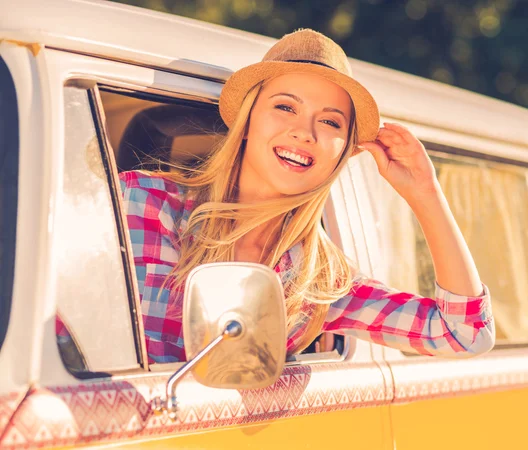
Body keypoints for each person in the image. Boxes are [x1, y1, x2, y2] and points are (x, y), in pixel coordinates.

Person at [119, 28, 495, 364]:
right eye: (285, 107)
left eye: (330, 121)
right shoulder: (142, 200)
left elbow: (465, 334)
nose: (304, 132)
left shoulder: (319, 281)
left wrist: (425, 195)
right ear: (247, 121)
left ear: (343, 150)